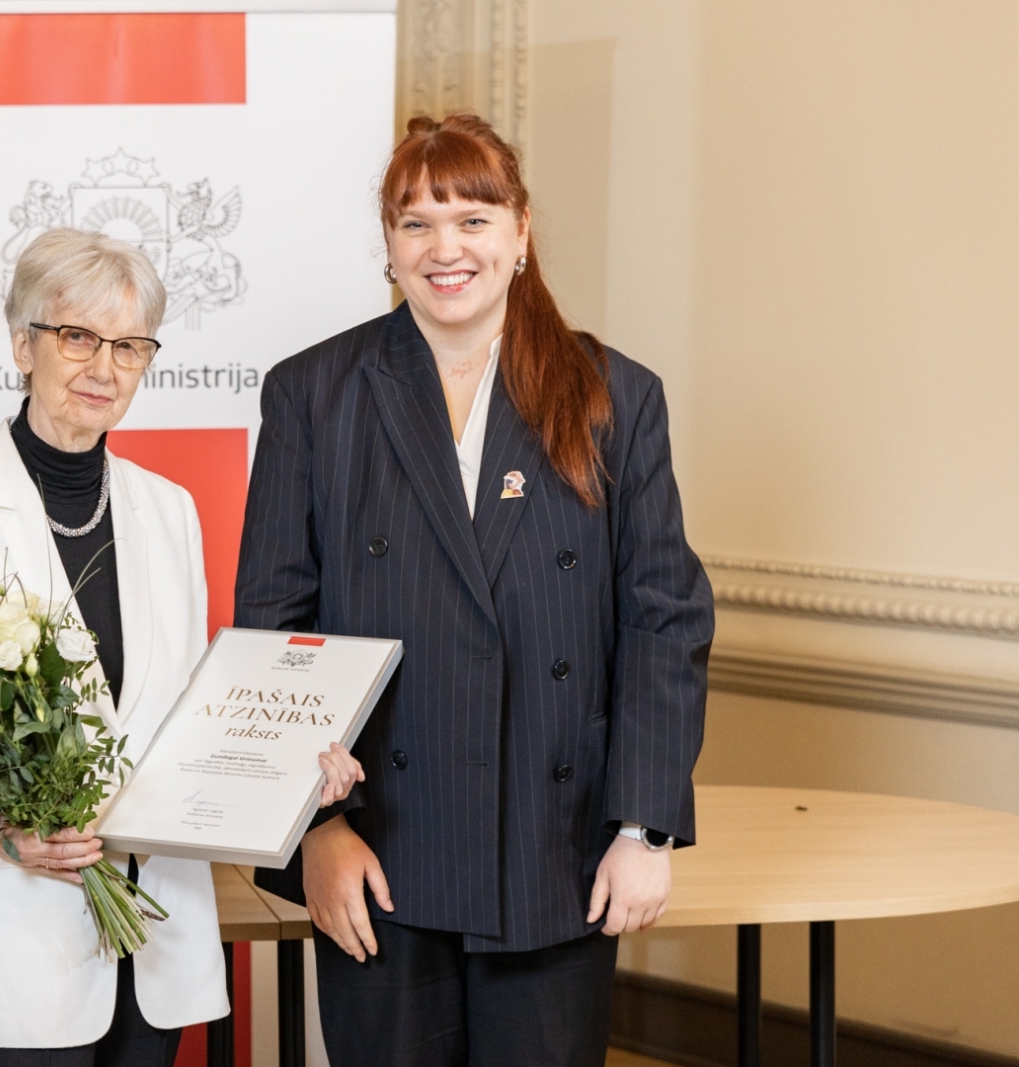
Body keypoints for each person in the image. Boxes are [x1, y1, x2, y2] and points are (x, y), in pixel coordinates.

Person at [235, 113, 715, 1067]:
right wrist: (316, 831)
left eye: (472, 218)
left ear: (522, 231)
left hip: (558, 850)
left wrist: (643, 826)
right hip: (379, 851)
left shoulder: (611, 394)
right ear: (388, 246)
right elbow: (275, 630)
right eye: (415, 223)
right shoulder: (314, 393)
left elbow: (663, 617)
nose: (444, 249)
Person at [0, 228, 362, 1067]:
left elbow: (187, 714)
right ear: (21, 343)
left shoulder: (168, 509)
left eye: (129, 345)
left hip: (154, 939)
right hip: (14, 940)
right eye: (77, 336)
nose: (103, 367)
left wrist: (297, 767)